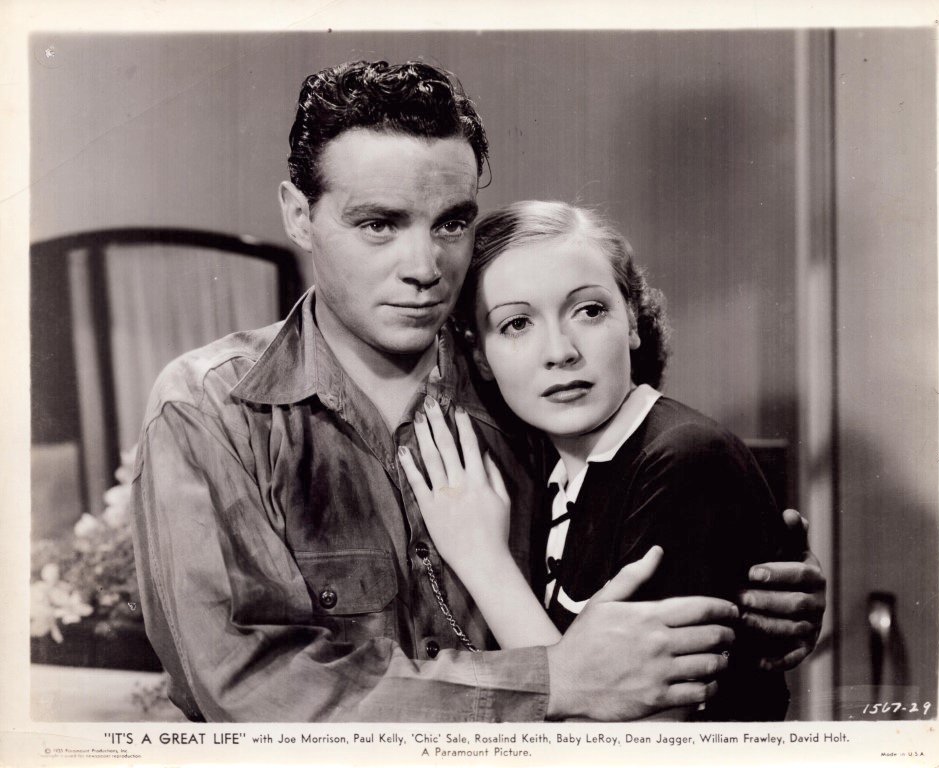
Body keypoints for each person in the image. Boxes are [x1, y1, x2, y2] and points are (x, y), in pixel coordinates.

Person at [131, 59, 825, 722]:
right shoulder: (211, 411)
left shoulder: (531, 383)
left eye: (451, 223)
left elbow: (663, 543)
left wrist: (751, 592)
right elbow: (257, 692)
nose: (424, 266)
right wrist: (554, 680)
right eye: (379, 224)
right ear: (298, 215)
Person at [402, 200, 803, 720]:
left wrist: (483, 560)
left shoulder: (685, 460)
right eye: (517, 324)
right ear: (480, 354)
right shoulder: (554, 472)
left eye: (589, 311)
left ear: (631, 319)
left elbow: (630, 743)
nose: (560, 351)